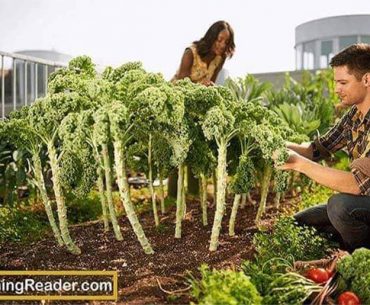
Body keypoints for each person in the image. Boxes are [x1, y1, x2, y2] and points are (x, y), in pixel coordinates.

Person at [277, 43, 370, 252]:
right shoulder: (354, 116)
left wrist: (299, 164)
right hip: (364, 204)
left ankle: (362, 257)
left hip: (361, 200)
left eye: (343, 82)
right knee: (299, 222)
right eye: (335, 82)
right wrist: (275, 143)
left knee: (339, 207)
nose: (336, 89)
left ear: (366, 79)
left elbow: (356, 185)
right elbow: (316, 150)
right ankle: (346, 239)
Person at [172, 20, 235, 86]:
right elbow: (182, 85)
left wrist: (210, 86)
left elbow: (210, 84)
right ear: (211, 37)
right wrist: (201, 86)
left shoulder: (220, 58)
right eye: (219, 40)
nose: (223, 45)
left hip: (199, 94)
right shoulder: (190, 53)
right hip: (175, 92)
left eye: (226, 42)